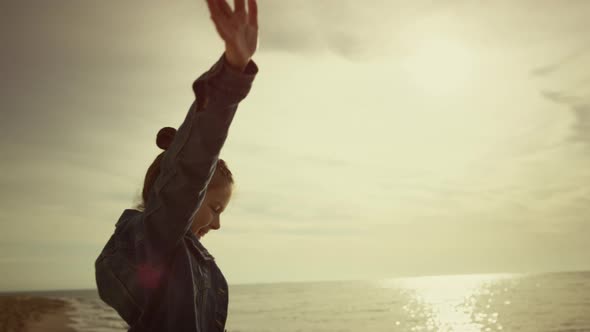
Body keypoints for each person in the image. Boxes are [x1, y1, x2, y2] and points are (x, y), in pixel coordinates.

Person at [94, 0, 259, 331]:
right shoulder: (156, 242)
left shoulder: (183, 260)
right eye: (214, 207)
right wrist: (231, 74)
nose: (216, 225)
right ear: (187, 194)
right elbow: (191, 168)